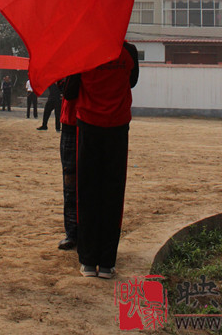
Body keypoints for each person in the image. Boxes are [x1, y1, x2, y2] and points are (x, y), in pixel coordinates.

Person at [73, 42, 139, 280]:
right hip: (118, 126)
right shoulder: (129, 51)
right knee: (113, 192)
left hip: (89, 125)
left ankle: (88, 261)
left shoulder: (83, 50)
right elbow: (132, 82)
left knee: (87, 191)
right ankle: (107, 262)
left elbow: (70, 91)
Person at [57, 80, 78, 250]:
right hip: (92, 122)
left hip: (74, 121)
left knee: (71, 182)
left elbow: (69, 91)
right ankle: (78, 232)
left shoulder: (75, 61)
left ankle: (73, 233)